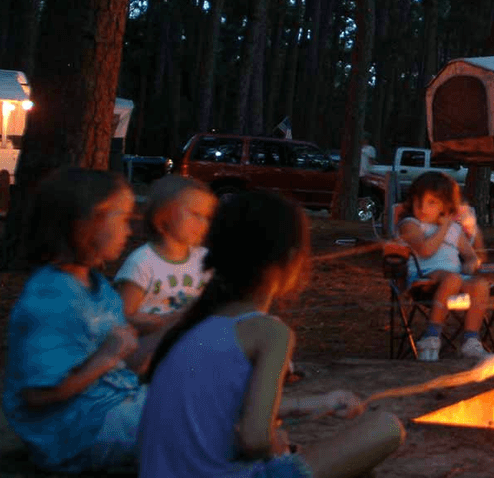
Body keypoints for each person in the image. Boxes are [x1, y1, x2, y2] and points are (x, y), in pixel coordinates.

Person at [138, 190, 404, 478]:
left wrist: (317, 403)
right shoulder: (269, 333)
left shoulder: (193, 326)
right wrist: (275, 446)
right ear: (291, 259)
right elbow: (254, 440)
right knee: (386, 427)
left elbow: (223, 409)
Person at [2, 167, 147, 473]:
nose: (129, 231)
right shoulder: (50, 297)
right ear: (86, 223)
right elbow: (38, 394)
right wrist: (107, 356)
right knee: (196, 424)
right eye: (122, 218)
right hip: (75, 431)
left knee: (202, 399)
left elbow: (121, 360)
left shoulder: (99, 287)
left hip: (112, 409)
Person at [114, 175, 216, 371]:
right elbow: (122, 316)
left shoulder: (204, 259)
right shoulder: (143, 262)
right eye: (194, 214)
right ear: (163, 218)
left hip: (191, 346)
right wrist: (167, 320)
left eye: (206, 216)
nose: (202, 222)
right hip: (149, 349)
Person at [397, 171, 494, 361]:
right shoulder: (410, 224)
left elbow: (471, 257)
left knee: (480, 285)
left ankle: (471, 341)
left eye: (432, 202)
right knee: (453, 278)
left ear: (446, 205)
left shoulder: (455, 230)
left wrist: (471, 265)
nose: (422, 207)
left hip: (453, 279)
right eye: (419, 200)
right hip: (421, 278)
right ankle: (431, 336)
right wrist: (443, 228)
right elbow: (425, 250)